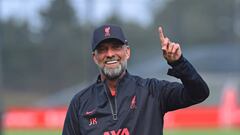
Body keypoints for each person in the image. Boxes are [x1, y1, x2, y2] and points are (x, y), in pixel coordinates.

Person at [62, 24, 209, 135]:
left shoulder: (152, 91)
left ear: (127, 52)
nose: (110, 54)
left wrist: (179, 63)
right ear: (95, 57)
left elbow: (199, 93)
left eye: (116, 47)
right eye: (102, 49)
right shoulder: (80, 103)